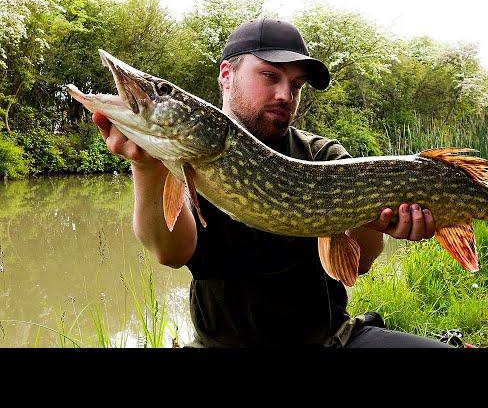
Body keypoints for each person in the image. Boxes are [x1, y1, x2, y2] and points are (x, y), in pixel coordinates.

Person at [93, 18, 452, 348]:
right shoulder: (187, 162)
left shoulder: (323, 155)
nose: (285, 95)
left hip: (328, 341)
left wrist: (381, 218)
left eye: (295, 85)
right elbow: (170, 253)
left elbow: (358, 264)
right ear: (226, 75)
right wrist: (146, 166)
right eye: (270, 76)